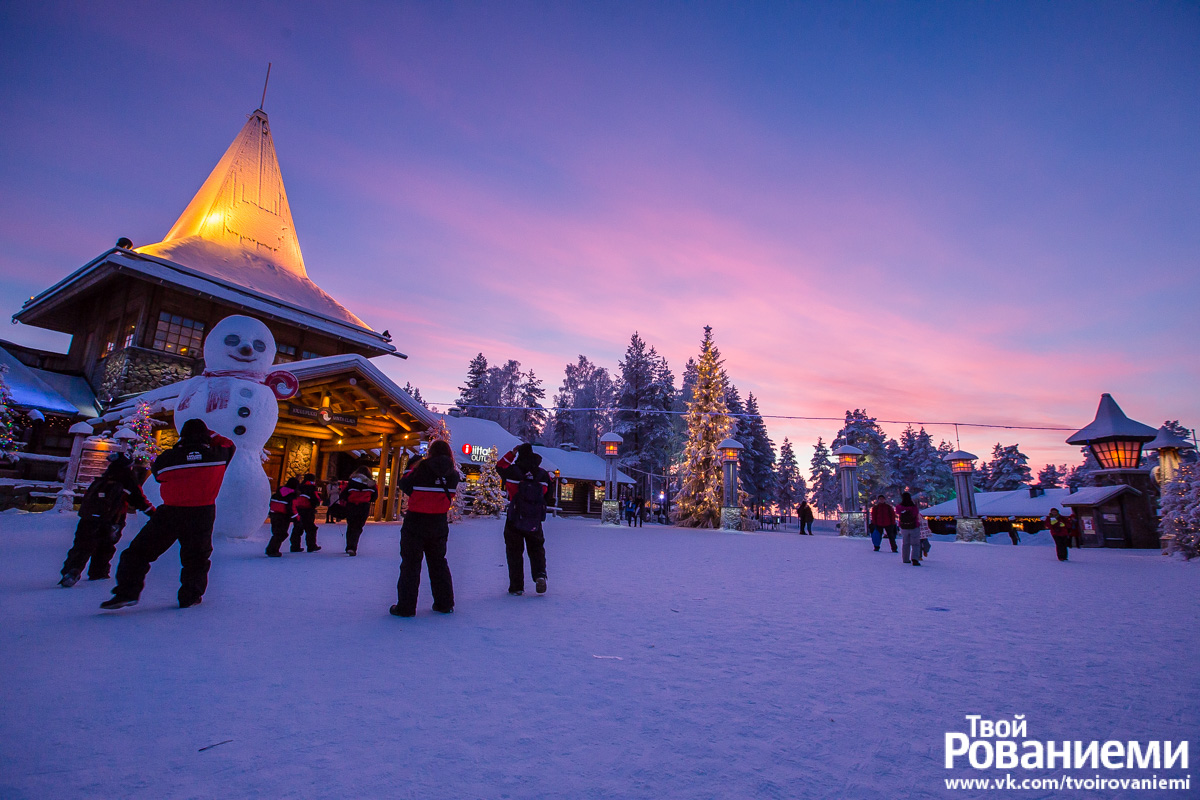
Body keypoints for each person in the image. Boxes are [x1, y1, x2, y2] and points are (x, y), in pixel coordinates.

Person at [101, 419, 235, 609]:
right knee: (197, 557)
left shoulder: (167, 459)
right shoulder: (218, 455)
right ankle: (190, 596)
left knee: (138, 552)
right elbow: (229, 443)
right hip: (202, 512)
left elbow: (159, 476)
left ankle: (127, 591)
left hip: (171, 511)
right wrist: (209, 435)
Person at [60, 454, 154, 586]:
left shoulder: (102, 479)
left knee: (82, 545)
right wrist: (155, 514)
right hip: (113, 520)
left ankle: (71, 570)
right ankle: (98, 573)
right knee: (105, 547)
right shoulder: (128, 481)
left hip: (88, 519)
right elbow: (140, 501)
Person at [390, 440, 460, 617]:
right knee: (438, 563)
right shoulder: (453, 474)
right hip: (438, 522)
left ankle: (406, 607)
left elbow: (404, 485)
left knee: (410, 564)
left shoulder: (420, 469)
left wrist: (410, 466)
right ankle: (444, 603)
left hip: (416, 521)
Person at [495, 442, 553, 596]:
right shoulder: (543, 475)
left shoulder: (512, 471)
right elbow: (549, 497)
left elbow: (499, 466)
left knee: (514, 552)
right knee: (536, 549)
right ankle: (540, 575)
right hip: (534, 519)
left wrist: (511, 453)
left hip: (515, 517)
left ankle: (517, 586)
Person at [343, 467, 378, 556]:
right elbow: (374, 497)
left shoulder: (351, 483)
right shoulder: (371, 484)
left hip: (351, 505)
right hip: (364, 506)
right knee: (358, 527)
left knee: (350, 526)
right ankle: (353, 547)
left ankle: (349, 546)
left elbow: (343, 495)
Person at [265, 477, 298, 557]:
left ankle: (273, 549)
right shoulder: (291, 495)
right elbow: (290, 507)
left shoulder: (277, 493)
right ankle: (272, 550)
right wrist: (295, 517)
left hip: (274, 515)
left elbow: (270, 503)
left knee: (276, 533)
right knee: (281, 533)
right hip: (284, 516)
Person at [289, 473, 322, 552]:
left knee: (297, 528)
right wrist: (316, 504)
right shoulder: (312, 488)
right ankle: (311, 546)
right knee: (311, 528)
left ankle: (295, 546)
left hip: (297, 509)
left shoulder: (299, 486)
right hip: (308, 510)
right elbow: (316, 499)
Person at [896, 491, 923, 566]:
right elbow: (916, 514)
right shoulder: (913, 507)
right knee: (915, 544)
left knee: (905, 543)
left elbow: (898, 513)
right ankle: (914, 559)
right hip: (914, 526)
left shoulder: (899, 507)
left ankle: (905, 558)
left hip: (904, 527)